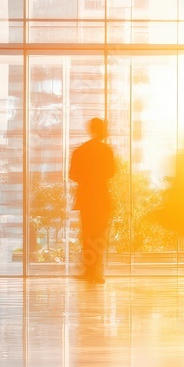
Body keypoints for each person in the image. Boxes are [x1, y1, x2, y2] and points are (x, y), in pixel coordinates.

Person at [69, 118, 116, 284]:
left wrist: (85, 180)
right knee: (99, 235)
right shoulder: (106, 150)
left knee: (87, 235)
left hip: (86, 197)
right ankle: (96, 272)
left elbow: (73, 174)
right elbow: (111, 172)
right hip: (101, 197)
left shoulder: (80, 151)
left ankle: (89, 271)